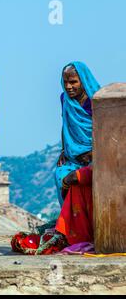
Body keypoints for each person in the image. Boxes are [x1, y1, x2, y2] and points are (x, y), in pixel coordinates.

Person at [55, 62, 100, 207]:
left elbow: (103, 130)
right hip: (73, 158)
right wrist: (64, 149)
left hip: (94, 158)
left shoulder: (96, 101)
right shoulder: (65, 99)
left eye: (73, 82)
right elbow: (66, 124)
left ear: (83, 80)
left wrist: (95, 152)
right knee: (60, 176)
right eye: (65, 82)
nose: (68, 86)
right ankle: (69, 223)